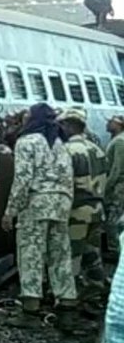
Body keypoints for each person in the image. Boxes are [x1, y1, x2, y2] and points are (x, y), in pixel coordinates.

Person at [2, 103, 79, 329]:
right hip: (61, 203)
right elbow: (69, 178)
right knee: (60, 254)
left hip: (37, 204)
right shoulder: (60, 143)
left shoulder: (26, 142)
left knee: (31, 254)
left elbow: (23, 180)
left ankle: (31, 310)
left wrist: (10, 211)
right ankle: (66, 308)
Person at [58, 108, 107, 307]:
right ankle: (95, 292)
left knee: (72, 256)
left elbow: (64, 184)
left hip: (77, 212)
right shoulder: (96, 149)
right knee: (92, 253)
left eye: (63, 125)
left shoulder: (68, 150)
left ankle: (68, 302)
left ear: (69, 126)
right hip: (97, 210)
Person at [107, 116, 124, 254]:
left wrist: (107, 187)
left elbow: (116, 168)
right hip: (119, 186)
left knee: (113, 219)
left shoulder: (120, 141)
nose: (107, 124)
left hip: (118, 187)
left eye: (111, 122)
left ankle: (115, 249)